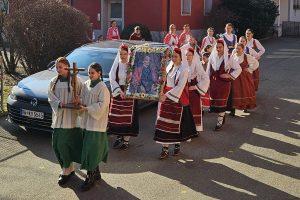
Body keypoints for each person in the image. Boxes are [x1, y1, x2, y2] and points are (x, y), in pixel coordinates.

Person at [154, 48, 197, 159]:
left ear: (181, 57)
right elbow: (164, 81)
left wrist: (166, 95)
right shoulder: (169, 67)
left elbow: (180, 86)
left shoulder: (185, 69)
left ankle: (177, 145)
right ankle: (165, 149)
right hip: (166, 98)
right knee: (164, 124)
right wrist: (161, 82)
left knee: (176, 124)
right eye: (172, 56)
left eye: (176, 56)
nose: (173, 58)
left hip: (177, 99)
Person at [48, 57, 83, 186]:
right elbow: (50, 97)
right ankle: (69, 168)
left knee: (63, 145)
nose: (58, 70)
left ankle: (66, 171)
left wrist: (77, 99)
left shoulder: (76, 81)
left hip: (70, 119)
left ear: (67, 67)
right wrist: (59, 103)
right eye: (57, 67)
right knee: (56, 144)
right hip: (58, 118)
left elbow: (81, 95)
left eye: (61, 67)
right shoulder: (53, 81)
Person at [79, 63, 110, 191]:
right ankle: (96, 172)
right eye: (89, 72)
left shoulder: (103, 87)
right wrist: (80, 103)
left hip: (96, 124)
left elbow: (103, 105)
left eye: (92, 73)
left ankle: (90, 177)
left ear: (99, 73)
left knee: (91, 150)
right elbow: (82, 98)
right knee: (89, 149)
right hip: (87, 123)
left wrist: (87, 108)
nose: (90, 75)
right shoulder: (86, 84)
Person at [108, 44, 139, 150]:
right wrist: (119, 91)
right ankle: (119, 137)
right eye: (121, 54)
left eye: (125, 54)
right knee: (117, 117)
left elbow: (137, 79)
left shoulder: (132, 65)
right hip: (118, 93)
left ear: (128, 54)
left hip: (129, 93)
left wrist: (128, 89)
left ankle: (126, 141)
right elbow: (112, 78)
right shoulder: (116, 65)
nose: (123, 56)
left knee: (128, 118)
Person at [208, 39, 242, 131]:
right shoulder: (212, 57)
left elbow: (238, 69)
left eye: (220, 47)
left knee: (222, 103)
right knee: (216, 103)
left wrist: (230, 75)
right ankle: (222, 118)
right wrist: (207, 83)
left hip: (224, 84)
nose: (218, 49)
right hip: (214, 84)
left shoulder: (229, 57)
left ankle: (219, 123)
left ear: (224, 47)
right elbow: (208, 71)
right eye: (217, 47)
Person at [185, 48, 210, 132]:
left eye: (190, 55)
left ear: (193, 56)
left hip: (193, 92)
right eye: (186, 55)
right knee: (185, 109)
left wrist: (196, 87)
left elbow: (206, 78)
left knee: (194, 109)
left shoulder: (197, 65)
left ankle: (195, 128)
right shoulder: (183, 64)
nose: (188, 57)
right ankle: (187, 128)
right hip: (184, 91)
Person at [231, 43, 259, 112]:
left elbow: (256, 63)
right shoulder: (233, 56)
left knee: (245, 91)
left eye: (239, 49)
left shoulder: (247, 56)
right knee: (235, 92)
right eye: (236, 48)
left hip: (244, 78)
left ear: (243, 49)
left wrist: (250, 69)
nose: (237, 50)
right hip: (235, 77)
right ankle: (233, 110)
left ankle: (245, 106)